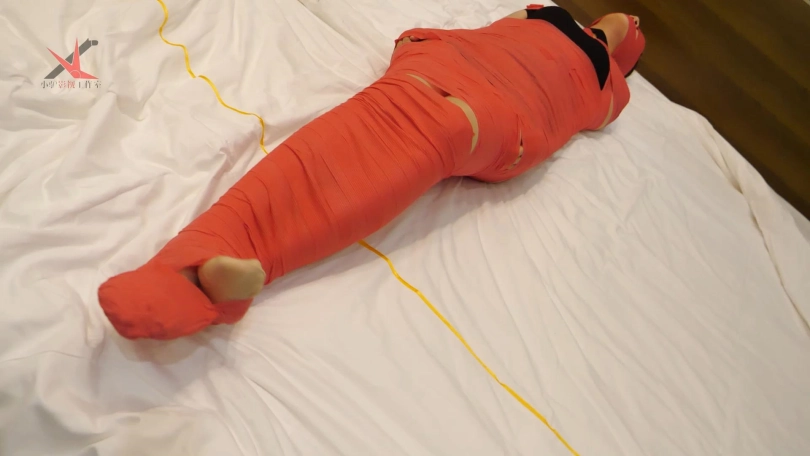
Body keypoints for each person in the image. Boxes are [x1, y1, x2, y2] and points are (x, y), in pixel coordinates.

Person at [98, 5, 646, 340]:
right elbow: (584, 117)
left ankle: (194, 261)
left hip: (440, 68)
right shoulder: (606, 83)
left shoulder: (542, 12)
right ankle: (211, 271)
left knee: (358, 132)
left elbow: (491, 32)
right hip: (486, 113)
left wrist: (419, 44)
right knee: (418, 142)